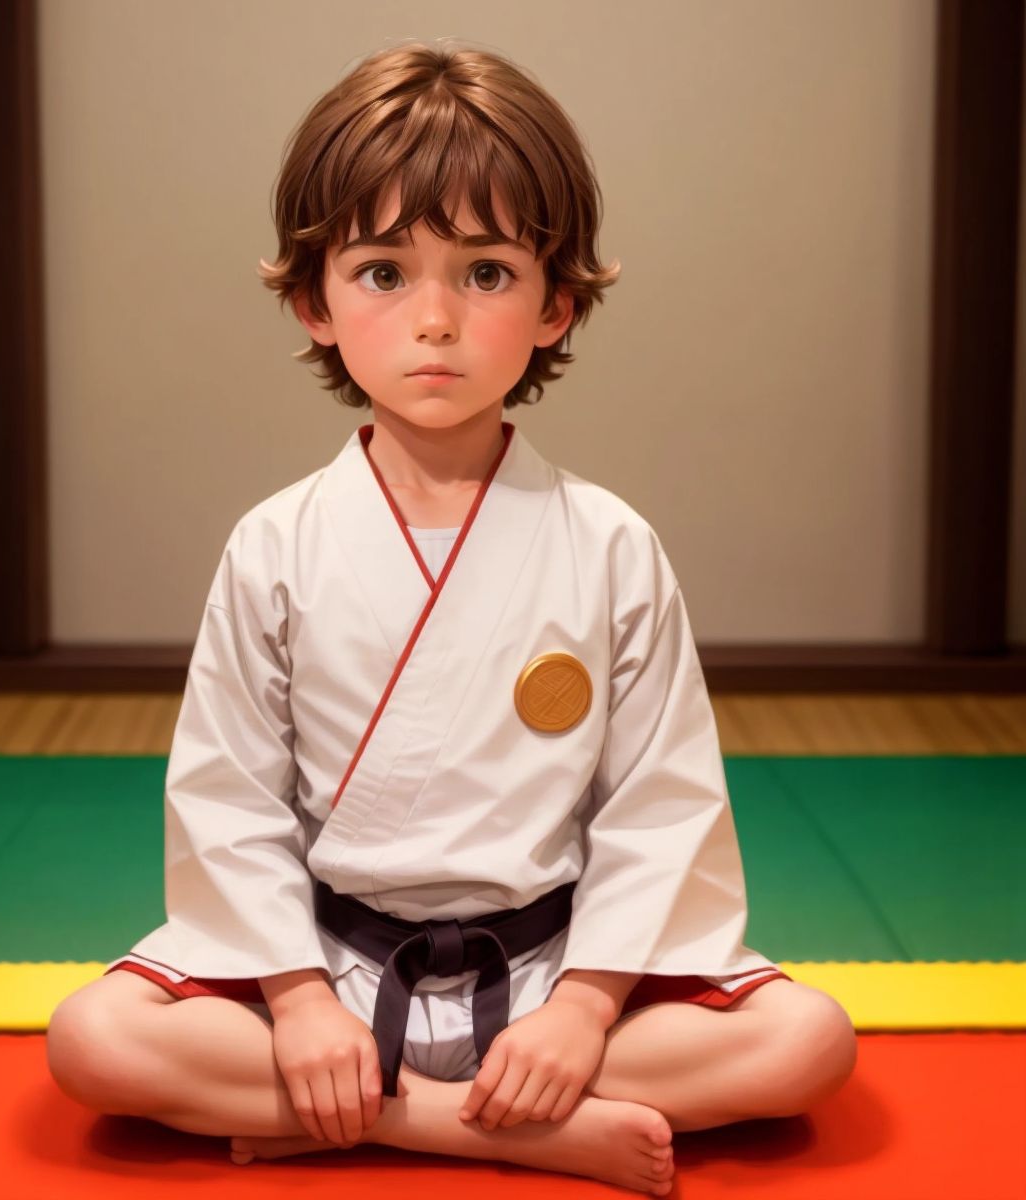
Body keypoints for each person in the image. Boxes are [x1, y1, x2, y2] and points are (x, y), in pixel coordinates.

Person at [46, 40, 856, 1196]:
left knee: (809, 1042)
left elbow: (660, 799)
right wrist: (291, 997)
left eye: (484, 274)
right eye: (383, 272)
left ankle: (372, 1113)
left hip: (553, 965)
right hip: (327, 965)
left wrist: (584, 1010)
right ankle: (469, 1127)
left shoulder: (611, 545)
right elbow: (227, 794)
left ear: (554, 305)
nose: (436, 319)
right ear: (314, 301)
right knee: (94, 1040)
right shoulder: (276, 544)